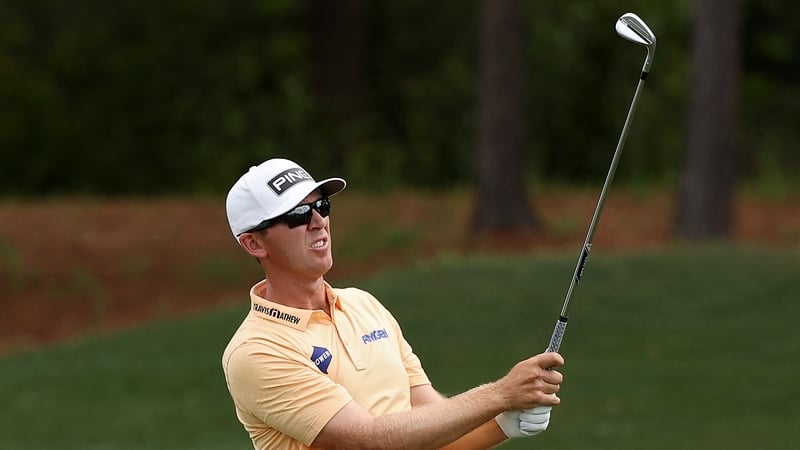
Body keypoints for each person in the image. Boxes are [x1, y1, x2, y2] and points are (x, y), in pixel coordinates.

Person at [222, 158, 565, 449]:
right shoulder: (255, 351)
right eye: (298, 214)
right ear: (254, 244)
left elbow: (434, 429)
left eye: (322, 206)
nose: (318, 221)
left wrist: (504, 423)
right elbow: (366, 439)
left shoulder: (364, 305)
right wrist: (501, 394)